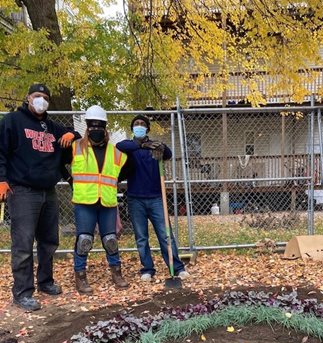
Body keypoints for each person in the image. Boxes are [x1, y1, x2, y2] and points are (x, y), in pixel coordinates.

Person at [0, 83, 79, 312]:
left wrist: (70, 134)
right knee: (23, 244)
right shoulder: (13, 121)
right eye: (37, 96)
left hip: (49, 191)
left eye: (45, 97)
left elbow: (74, 135)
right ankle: (23, 292)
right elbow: (1, 151)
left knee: (49, 241)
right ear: (27, 98)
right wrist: (2, 179)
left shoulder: (50, 126)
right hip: (22, 191)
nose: (41, 101)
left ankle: (46, 282)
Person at [116, 115, 189, 281]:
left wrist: (161, 147)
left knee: (166, 235)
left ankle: (177, 267)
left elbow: (168, 153)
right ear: (132, 128)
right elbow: (119, 145)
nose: (139, 126)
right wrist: (141, 144)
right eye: (136, 124)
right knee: (141, 238)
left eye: (142, 124)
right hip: (135, 199)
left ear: (148, 128)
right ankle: (147, 269)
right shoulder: (129, 148)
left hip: (157, 198)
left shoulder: (156, 147)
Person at [69, 105, 129, 294]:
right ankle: (80, 276)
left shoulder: (116, 152)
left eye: (99, 125)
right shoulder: (76, 147)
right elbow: (56, 163)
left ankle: (116, 273)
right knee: (84, 240)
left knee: (110, 239)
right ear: (87, 127)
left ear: (105, 128)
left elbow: (124, 171)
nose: (95, 129)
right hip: (85, 202)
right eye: (92, 126)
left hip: (107, 202)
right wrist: (69, 179)